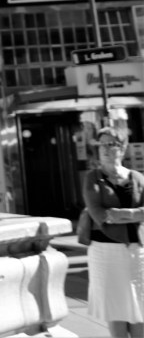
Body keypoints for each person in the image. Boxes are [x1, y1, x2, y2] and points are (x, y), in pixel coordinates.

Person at [82, 126, 144, 337]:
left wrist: (120, 214)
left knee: (139, 308)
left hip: (137, 252)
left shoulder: (137, 177)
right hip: (105, 252)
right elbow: (98, 214)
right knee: (115, 309)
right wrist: (135, 214)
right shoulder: (92, 178)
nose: (106, 149)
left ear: (123, 148)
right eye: (101, 145)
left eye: (111, 144)